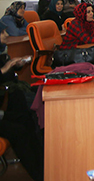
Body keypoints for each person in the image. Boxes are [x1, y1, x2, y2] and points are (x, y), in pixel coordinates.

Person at [0, 21, 44, 181]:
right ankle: (39, 174)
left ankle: (45, 166)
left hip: (3, 108)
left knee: (28, 121)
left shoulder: (2, 52)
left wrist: (14, 65)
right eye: (2, 32)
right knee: (20, 131)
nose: (6, 35)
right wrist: (4, 69)